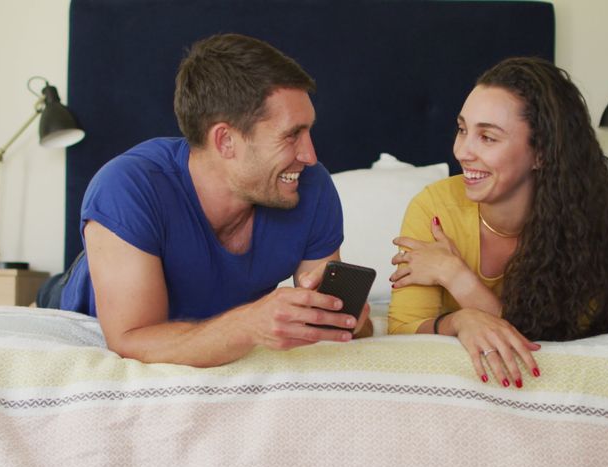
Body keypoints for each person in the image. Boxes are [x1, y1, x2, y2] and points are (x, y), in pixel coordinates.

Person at [46, 33, 370, 367]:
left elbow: (333, 318)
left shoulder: (310, 187)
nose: (310, 155)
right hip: (81, 301)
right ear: (226, 140)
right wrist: (248, 325)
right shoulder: (128, 186)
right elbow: (132, 339)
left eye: (308, 132)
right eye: (291, 135)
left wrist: (348, 318)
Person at [387, 57, 608, 388]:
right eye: (463, 129)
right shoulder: (435, 208)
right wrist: (461, 321)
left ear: (541, 153)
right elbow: (403, 329)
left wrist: (457, 277)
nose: (462, 151)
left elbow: (549, 343)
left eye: (488, 137)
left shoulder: (583, 223)